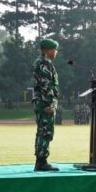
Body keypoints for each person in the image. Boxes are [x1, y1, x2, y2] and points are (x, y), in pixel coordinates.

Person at [32, 39, 61, 172]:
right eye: (54, 49)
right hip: (45, 103)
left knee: (42, 131)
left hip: (41, 102)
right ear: (47, 50)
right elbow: (46, 85)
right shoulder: (44, 63)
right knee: (45, 131)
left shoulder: (42, 62)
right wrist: (50, 104)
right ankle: (42, 163)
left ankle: (40, 161)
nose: (56, 52)